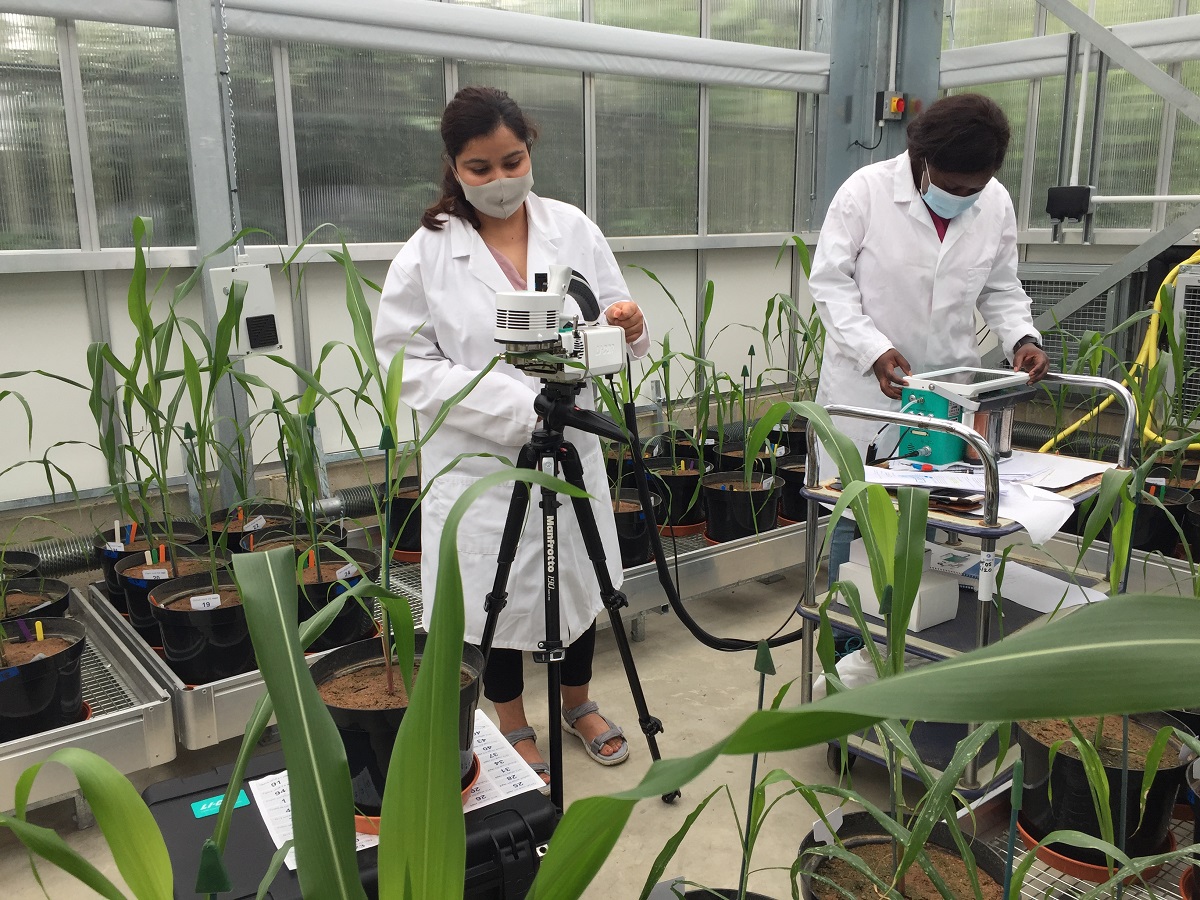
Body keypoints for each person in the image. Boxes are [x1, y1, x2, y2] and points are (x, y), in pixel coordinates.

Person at [374, 86, 649, 784]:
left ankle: (577, 704)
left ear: (529, 150)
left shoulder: (572, 228)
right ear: (454, 167)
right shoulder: (426, 254)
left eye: (511, 161)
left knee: (578, 583)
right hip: (480, 463)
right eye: (480, 168)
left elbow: (611, 316)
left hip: (569, 443)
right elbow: (406, 365)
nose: (499, 180)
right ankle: (513, 722)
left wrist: (630, 330)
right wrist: (512, 406)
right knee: (490, 597)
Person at [809, 93, 1050, 582]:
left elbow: (1001, 287)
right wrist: (873, 349)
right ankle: (853, 644)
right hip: (867, 394)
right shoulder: (866, 193)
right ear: (923, 161)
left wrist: (1022, 337)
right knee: (856, 520)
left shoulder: (995, 204)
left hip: (944, 394)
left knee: (933, 521)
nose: (962, 196)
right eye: (951, 185)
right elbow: (830, 283)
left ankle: (917, 637)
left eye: (973, 188)